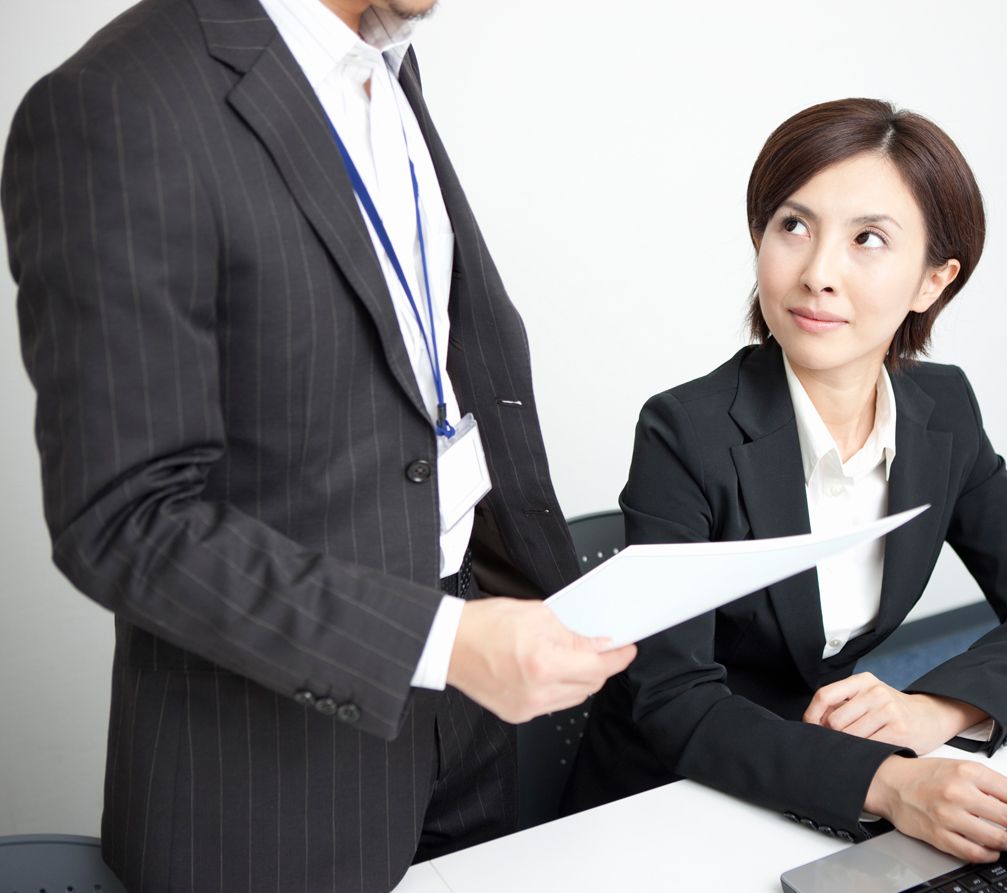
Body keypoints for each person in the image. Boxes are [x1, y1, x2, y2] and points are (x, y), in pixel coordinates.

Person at [1, 0, 635, 889]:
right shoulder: (115, 101)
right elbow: (126, 520)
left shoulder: (383, 63)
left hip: (471, 700)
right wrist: (440, 641)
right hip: (274, 781)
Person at [564, 98, 1007, 864]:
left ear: (933, 280)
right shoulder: (685, 432)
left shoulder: (942, 410)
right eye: (793, 225)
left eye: (867, 239)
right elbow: (674, 698)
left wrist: (931, 710)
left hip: (830, 790)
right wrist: (887, 781)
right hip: (676, 802)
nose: (817, 273)